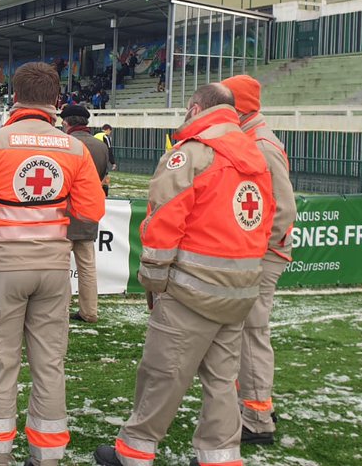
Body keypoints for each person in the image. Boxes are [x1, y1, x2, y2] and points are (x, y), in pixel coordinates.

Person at [93, 84, 275, 466]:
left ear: (195, 109)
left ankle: (134, 452)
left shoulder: (191, 155)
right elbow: (267, 219)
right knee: (222, 381)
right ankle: (220, 458)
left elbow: (163, 221)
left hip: (192, 290)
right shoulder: (255, 155)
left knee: (162, 373)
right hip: (240, 292)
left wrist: (153, 282)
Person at [0, 63, 106, 466]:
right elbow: (92, 211)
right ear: (57, 101)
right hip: (53, 269)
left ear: (14, 97)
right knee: (50, 364)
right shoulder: (74, 148)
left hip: (5, 267)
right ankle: (47, 456)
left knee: (0, 364)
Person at [222, 75, 297, 446]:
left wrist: (256, 250)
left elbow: (283, 209)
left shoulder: (260, 144)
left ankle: (256, 417)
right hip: (256, 253)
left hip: (260, 257)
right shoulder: (251, 137)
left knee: (251, 332)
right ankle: (253, 404)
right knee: (245, 331)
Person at [59, 105, 114, 324]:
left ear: (66, 123)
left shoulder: (65, 144)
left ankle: (60, 309)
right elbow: (102, 175)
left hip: (65, 212)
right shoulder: (100, 146)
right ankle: (89, 311)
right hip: (89, 212)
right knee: (87, 267)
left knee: (60, 267)